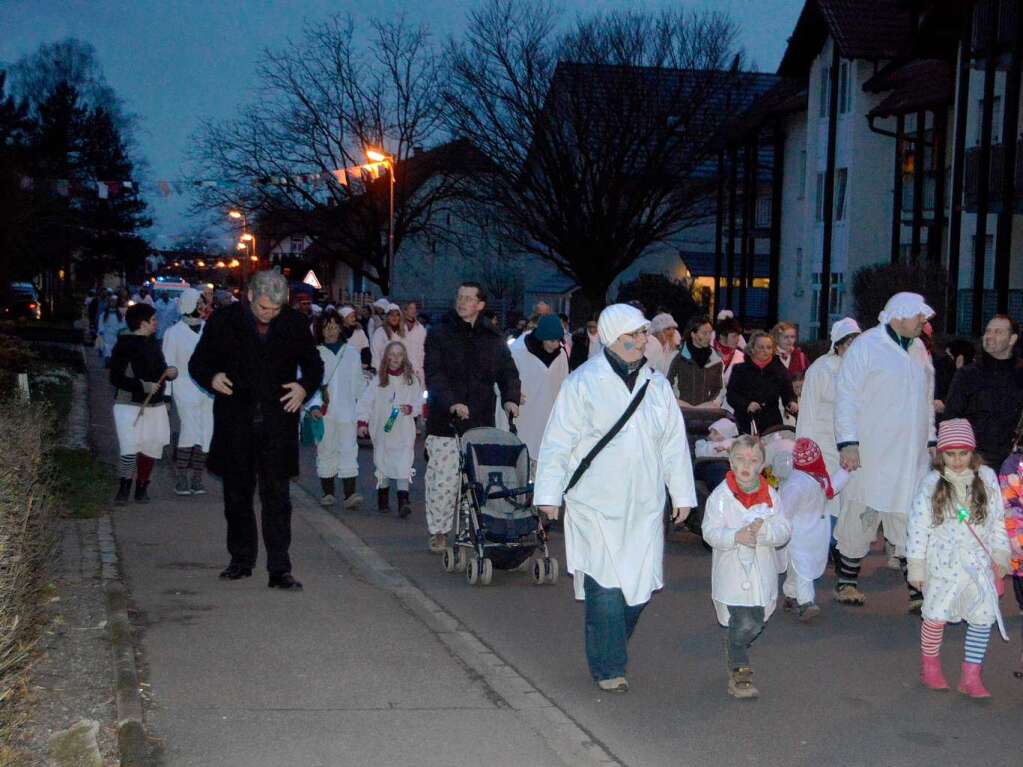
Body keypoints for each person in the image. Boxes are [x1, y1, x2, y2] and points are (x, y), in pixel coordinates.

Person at [535, 304, 695, 693]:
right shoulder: (583, 383)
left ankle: (607, 643)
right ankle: (609, 666)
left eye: (644, 334)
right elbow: (558, 442)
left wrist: (683, 493)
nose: (643, 341)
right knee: (604, 586)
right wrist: (548, 494)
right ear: (613, 336)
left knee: (639, 588)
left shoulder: (656, 386)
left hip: (643, 505)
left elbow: (674, 443)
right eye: (635, 334)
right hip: (595, 503)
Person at [189, 270, 324, 590]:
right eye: (264, 308)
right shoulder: (224, 321)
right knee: (237, 495)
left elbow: (315, 365)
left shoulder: (293, 322)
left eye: (276, 309)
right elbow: (198, 362)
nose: (270, 314)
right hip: (236, 421)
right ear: (250, 296)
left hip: (278, 425)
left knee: (277, 498)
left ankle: (279, 568)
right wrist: (212, 378)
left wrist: (304, 388)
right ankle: (240, 560)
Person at [833, 292, 936, 608]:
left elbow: (927, 400)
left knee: (910, 518)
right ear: (899, 315)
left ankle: (918, 591)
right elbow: (846, 397)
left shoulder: (919, 350)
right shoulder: (867, 346)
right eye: (919, 316)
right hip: (872, 453)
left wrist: (931, 439)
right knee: (860, 514)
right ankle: (846, 583)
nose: (923, 322)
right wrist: (848, 442)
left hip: (911, 456)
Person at [906, 419, 1010, 698]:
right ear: (941, 455)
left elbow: (998, 520)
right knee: (935, 616)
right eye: (950, 454)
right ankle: (930, 668)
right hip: (942, 564)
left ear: (972, 452)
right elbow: (918, 526)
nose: (957, 460)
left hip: (978, 565)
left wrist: (1001, 554)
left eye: (963, 453)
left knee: (981, 617)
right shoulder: (931, 483)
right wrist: (916, 564)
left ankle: (971, 674)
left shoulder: (986, 478)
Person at [423, 282, 521, 553]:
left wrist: (511, 397)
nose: (462, 302)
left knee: (477, 481)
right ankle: (440, 531)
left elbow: (508, 371)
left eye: (469, 298)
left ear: (480, 305)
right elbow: (434, 373)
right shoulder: (440, 332)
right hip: (446, 422)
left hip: (480, 420)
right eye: (460, 297)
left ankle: (470, 527)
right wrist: (451, 402)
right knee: (443, 481)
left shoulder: (492, 337)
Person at [702, 435, 790, 699]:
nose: (746, 466)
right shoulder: (720, 498)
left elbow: (784, 529)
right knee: (743, 620)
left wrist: (765, 533)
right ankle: (740, 668)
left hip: (760, 573)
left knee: (756, 620)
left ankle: (734, 643)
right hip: (732, 573)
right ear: (730, 461)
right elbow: (709, 531)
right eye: (740, 459)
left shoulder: (771, 497)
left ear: (762, 465)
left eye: (753, 461)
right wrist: (734, 536)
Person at [109, 303, 177, 504]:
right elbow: (115, 378)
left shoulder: (153, 344)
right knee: (129, 446)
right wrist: (142, 385)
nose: (157, 323)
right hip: (129, 404)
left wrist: (171, 373)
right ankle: (124, 488)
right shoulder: (124, 345)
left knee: (151, 447)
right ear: (142, 322)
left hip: (154, 406)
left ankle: (141, 487)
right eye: (153, 319)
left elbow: (162, 370)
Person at [795, 317, 861, 517]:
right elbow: (808, 410)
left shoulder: (859, 371)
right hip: (822, 440)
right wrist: (805, 446)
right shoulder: (821, 369)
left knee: (850, 490)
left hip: (849, 441)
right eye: (850, 342)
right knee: (827, 488)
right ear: (839, 344)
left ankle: (843, 540)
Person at [779, 437, 851, 621]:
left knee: (798, 567)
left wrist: (845, 471)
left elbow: (832, 487)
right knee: (804, 567)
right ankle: (806, 603)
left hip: (813, 532)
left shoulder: (818, 478)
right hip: (798, 534)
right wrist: (780, 529)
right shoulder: (797, 483)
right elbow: (786, 510)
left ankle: (790, 594)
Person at [943, 315, 1023, 469]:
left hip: (1013, 464)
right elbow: (951, 418)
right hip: (973, 461)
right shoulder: (967, 374)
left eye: (998, 332)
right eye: (987, 331)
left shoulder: (1020, 373)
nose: (989, 336)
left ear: (1012, 339)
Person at [306, 309, 365, 509]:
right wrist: (313, 405)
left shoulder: (351, 354)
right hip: (324, 413)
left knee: (349, 450)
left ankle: (350, 493)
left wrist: (364, 412)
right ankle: (328, 492)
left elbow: (359, 385)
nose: (331, 332)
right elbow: (310, 384)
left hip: (348, 412)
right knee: (326, 449)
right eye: (326, 328)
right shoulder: (314, 354)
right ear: (320, 331)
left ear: (340, 328)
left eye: (334, 327)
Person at [357, 340, 421, 517]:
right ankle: (383, 497)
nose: (395, 358)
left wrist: (410, 408)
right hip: (383, 429)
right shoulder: (378, 380)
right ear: (386, 357)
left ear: (404, 357)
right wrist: (362, 422)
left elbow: (418, 402)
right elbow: (366, 401)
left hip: (403, 428)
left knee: (403, 462)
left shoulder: (411, 380)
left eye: (399, 354)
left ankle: (403, 500)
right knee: (383, 461)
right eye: (392, 354)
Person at [162, 288, 214, 496]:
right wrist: (166, 395)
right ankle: (181, 477)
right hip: (183, 386)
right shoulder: (173, 333)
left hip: (208, 389)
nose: (203, 308)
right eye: (199, 304)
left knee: (206, 433)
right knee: (189, 430)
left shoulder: (209, 330)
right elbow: (168, 365)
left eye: (204, 304)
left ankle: (197, 478)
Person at [501, 314, 569, 472]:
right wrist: (511, 395)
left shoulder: (561, 355)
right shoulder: (517, 351)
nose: (556, 344)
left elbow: (563, 385)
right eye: (552, 340)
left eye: (558, 340)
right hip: (523, 418)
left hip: (548, 420)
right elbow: (503, 379)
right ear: (541, 337)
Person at [726, 330, 798, 435]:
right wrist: (747, 404)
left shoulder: (779, 369)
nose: (765, 351)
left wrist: (791, 402)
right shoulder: (740, 369)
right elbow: (732, 395)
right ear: (752, 348)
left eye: (769, 348)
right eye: (761, 347)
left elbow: (788, 392)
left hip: (772, 423)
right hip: (745, 422)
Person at [933, 338, 976, 413]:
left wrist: (944, 403)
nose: (944, 359)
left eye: (949, 355)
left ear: (960, 359)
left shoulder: (970, 378)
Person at [370, 303, 406, 371]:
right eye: (392, 315)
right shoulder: (380, 332)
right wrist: (381, 372)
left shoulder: (403, 332)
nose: (394, 317)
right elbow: (375, 354)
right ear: (387, 317)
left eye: (397, 315)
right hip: (384, 370)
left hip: (400, 371)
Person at [712, 315, 745, 386]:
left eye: (738, 336)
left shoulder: (741, 356)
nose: (738, 339)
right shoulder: (706, 353)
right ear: (722, 336)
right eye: (734, 336)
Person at [402, 301, 428, 388]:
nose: (413, 311)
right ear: (405, 311)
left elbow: (424, 349)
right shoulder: (398, 328)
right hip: (401, 367)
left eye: (415, 308)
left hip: (417, 368)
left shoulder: (421, 329)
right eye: (410, 308)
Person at [339, 305, 371, 370]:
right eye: (351, 317)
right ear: (343, 318)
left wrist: (365, 363)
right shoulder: (338, 332)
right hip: (342, 366)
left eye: (354, 317)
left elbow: (365, 349)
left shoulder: (359, 331)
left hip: (358, 365)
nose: (354, 319)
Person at [97, 297, 128, 367]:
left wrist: (120, 331)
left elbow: (123, 324)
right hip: (106, 336)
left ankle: (112, 362)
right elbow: (101, 324)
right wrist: (101, 332)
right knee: (106, 350)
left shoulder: (119, 315)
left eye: (114, 302)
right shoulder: (104, 314)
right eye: (111, 301)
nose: (113, 303)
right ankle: (107, 361)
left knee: (114, 350)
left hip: (115, 335)